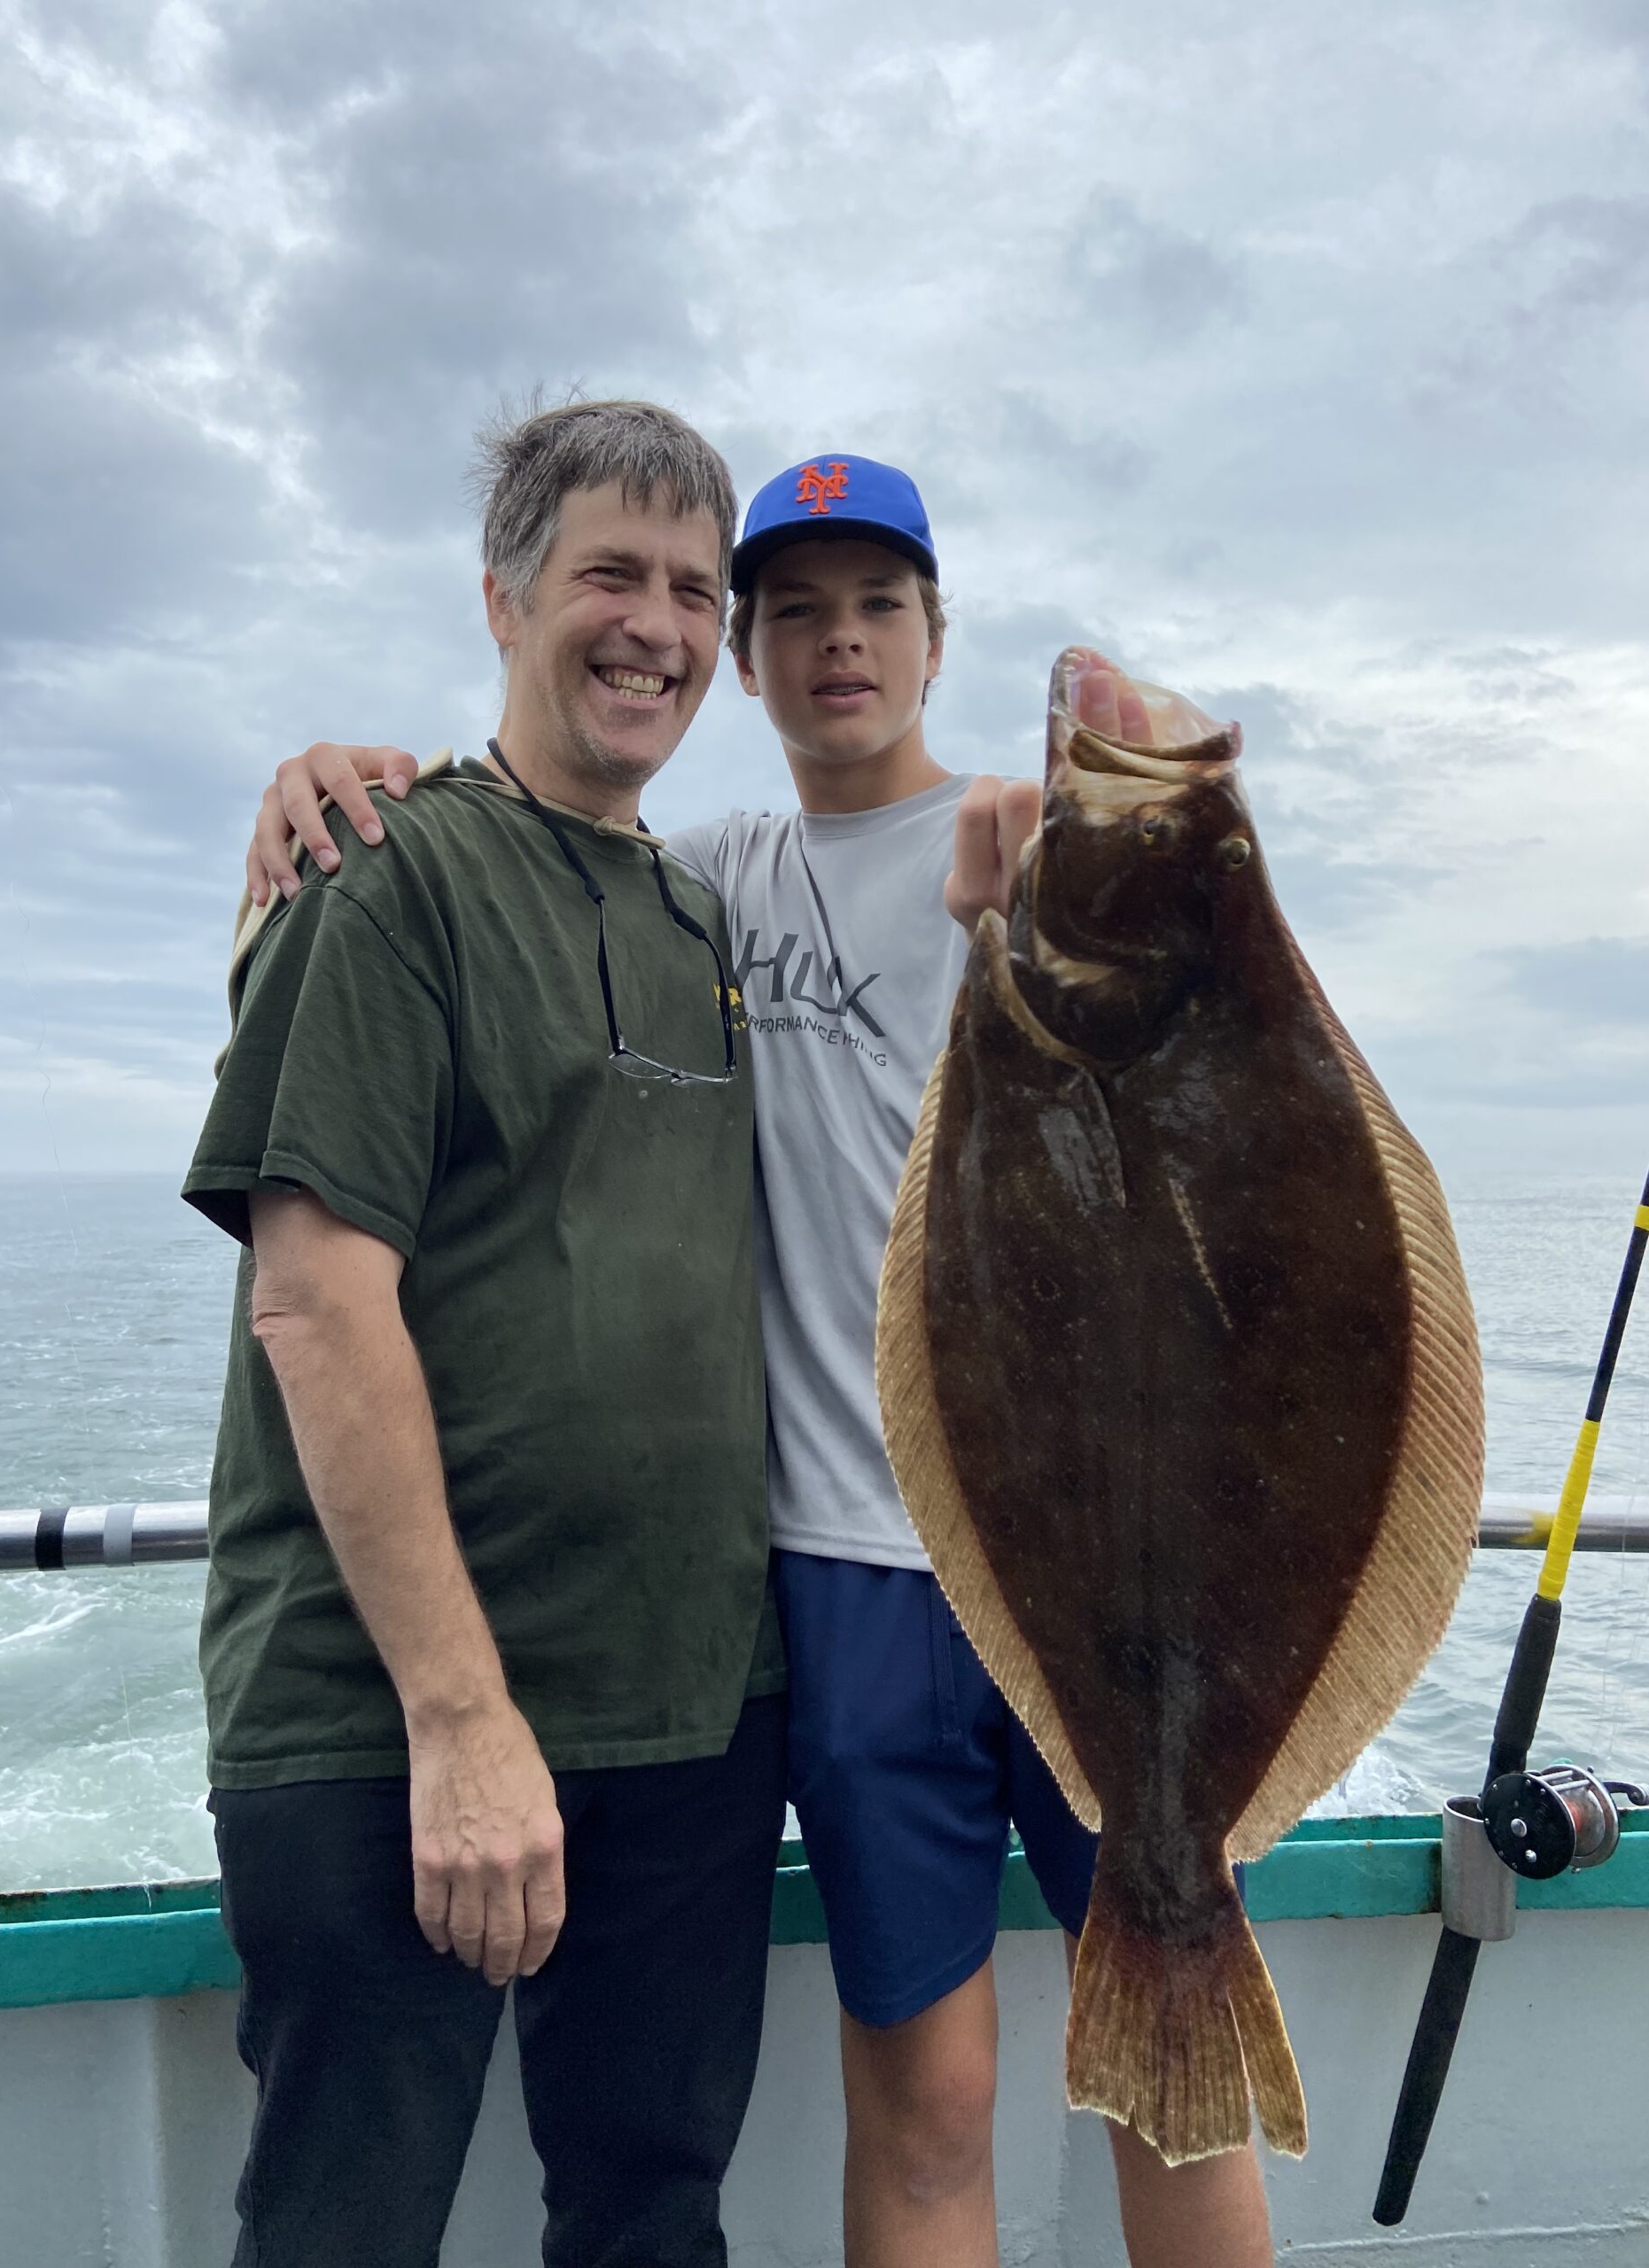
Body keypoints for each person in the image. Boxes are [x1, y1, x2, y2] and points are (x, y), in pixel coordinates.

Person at [244, 453, 1275, 2267]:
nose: (837, 642)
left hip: (1105, 1567)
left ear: (939, 638)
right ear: (745, 658)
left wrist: (1124, 881)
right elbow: (539, 844)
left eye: (878, 606)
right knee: (930, 2099)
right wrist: (327, 780)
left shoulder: (1040, 861)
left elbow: (1231, 1151)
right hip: (848, 1580)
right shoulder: (707, 885)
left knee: (1173, 2063)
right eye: (791, 609)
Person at [183, 398, 789, 2268]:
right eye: (612, 573)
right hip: (388, 1725)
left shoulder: (703, 917)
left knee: (652, 2217)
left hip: (685, 1714)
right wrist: (460, 1722)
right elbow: (314, 1298)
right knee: (346, 2230)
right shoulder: (386, 872)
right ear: (505, 595)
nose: (657, 627)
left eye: (695, 590)